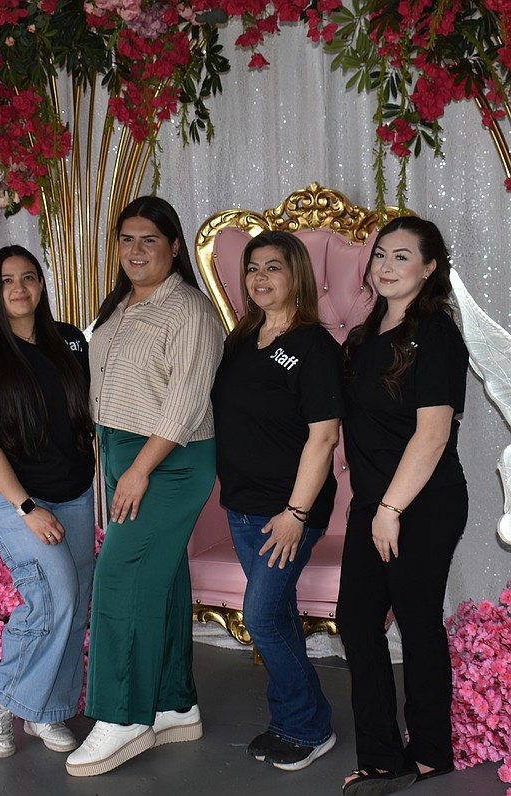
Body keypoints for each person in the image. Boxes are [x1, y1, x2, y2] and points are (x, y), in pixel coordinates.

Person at [65, 195, 224, 777]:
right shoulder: (122, 304)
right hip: (127, 454)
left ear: (174, 246)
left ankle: (123, 716)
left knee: (120, 581)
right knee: (161, 579)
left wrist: (137, 470)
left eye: (149, 240)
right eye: (126, 239)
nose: (135, 250)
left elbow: (184, 402)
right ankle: (173, 704)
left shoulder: (191, 312)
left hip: (169, 461)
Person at [0, 245, 96, 759]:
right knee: (52, 593)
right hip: (15, 494)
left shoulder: (71, 342)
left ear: (41, 284)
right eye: (7, 280)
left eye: (28, 277)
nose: (18, 288)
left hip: (74, 492)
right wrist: (27, 509)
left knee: (74, 605)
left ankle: (45, 712)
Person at [338, 216, 468, 795]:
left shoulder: (436, 332)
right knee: (357, 622)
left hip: (422, 503)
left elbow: (433, 434)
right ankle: (383, 757)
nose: (386, 267)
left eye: (402, 257)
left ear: (430, 267)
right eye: (380, 256)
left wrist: (390, 508)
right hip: (375, 503)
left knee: (416, 626)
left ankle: (432, 752)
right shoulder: (364, 338)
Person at [211, 230, 342, 771]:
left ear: (296, 278)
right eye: (252, 270)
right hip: (241, 506)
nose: (260, 279)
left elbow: (324, 436)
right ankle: (290, 720)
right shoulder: (240, 339)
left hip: (289, 511)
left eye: (273, 268)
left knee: (261, 617)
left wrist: (296, 514)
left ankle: (310, 727)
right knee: (279, 614)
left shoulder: (315, 345)